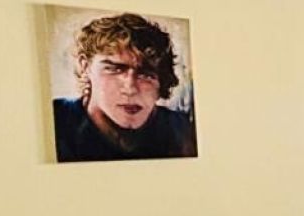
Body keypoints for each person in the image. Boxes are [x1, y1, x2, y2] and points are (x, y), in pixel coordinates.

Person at [53, 12, 197, 162]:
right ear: (85, 66)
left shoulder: (181, 130)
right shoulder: (56, 121)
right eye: (114, 69)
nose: (130, 89)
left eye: (146, 75)